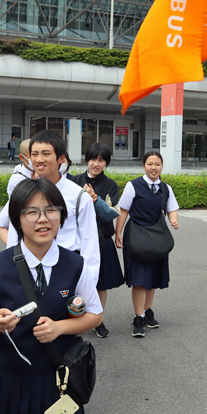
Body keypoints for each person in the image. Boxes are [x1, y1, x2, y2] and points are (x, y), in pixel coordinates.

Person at [0, 178, 102, 414]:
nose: (43, 219)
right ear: (17, 219)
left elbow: (94, 315)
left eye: (51, 210)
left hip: (58, 381)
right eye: (31, 212)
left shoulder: (75, 265)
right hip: (7, 381)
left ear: (61, 216)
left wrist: (59, 328)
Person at [0, 131, 100, 288]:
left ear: (61, 158)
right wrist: (15, 267)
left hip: (67, 270)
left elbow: (89, 243)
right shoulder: (22, 193)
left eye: (46, 154)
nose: (39, 159)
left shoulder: (78, 196)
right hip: (28, 270)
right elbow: (7, 229)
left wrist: (88, 285)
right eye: (34, 154)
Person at [115, 151, 179, 338]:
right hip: (137, 238)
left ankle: (148, 311)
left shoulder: (165, 188)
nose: (154, 167)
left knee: (152, 280)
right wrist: (118, 232)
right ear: (143, 166)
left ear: (161, 166)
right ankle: (138, 317)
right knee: (140, 280)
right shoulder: (133, 185)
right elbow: (123, 211)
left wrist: (174, 220)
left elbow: (171, 208)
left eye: (157, 164)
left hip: (157, 238)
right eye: (150, 164)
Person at [73, 143, 124, 338]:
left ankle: (97, 319)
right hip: (77, 241)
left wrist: (95, 200)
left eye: (101, 160)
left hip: (102, 241)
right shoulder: (74, 181)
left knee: (100, 284)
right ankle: (74, 320)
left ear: (106, 163)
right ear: (87, 160)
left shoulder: (110, 185)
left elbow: (111, 214)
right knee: (74, 282)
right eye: (93, 159)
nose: (96, 163)